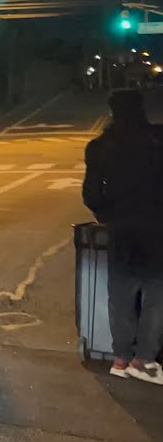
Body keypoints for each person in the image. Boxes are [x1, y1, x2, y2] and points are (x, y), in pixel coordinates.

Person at [82, 89, 163, 385]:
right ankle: (144, 361)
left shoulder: (100, 146)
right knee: (156, 296)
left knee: (121, 295)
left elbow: (91, 193)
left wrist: (106, 216)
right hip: (156, 230)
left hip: (121, 230)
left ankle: (120, 359)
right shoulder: (157, 141)